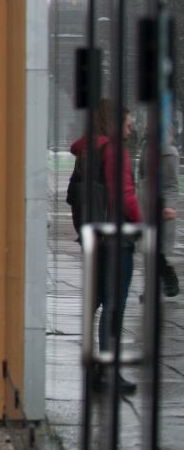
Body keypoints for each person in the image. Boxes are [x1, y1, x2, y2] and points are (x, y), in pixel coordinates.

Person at [69, 99, 141, 394]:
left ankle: (96, 370)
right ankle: (108, 371)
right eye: (126, 123)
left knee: (99, 302)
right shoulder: (113, 151)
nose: (129, 129)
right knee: (115, 306)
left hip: (94, 237)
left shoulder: (86, 151)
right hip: (115, 238)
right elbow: (123, 194)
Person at [138, 124, 180, 297]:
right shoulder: (148, 144)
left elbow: (171, 184)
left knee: (154, 250)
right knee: (149, 250)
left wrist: (169, 205)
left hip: (159, 209)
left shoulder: (168, 151)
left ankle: (168, 277)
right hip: (145, 205)